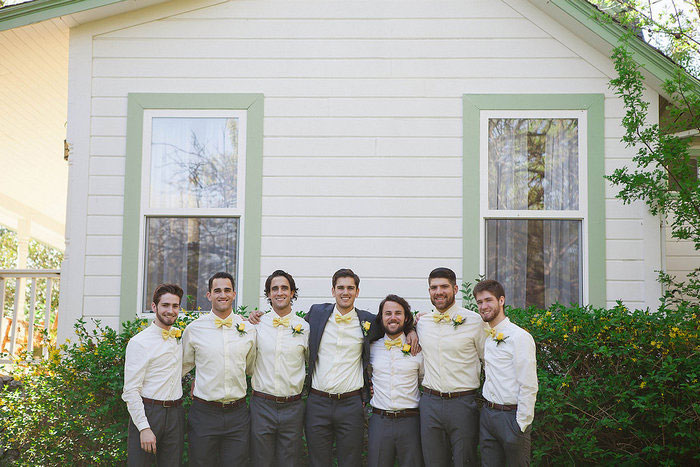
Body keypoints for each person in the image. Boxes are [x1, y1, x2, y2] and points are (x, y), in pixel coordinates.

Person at [182, 272, 257, 466]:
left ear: (234, 294)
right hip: (204, 413)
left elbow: (249, 368)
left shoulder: (248, 329)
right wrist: (194, 380)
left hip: (238, 414)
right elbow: (184, 366)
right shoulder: (194, 329)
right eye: (217, 291)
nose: (222, 295)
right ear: (209, 295)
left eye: (227, 290)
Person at [416, 267, 486, 466]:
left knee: (466, 460)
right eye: (433, 287)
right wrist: (411, 330)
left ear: (455, 289)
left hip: (462, 403)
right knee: (433, 461)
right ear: (429, 291)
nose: (438, 292)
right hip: (429, 402)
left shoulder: (475, 321)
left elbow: (487, 360)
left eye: (444, 287)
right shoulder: (422, 322)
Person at [474, 279, 537, 467]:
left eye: (488, 300)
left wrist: (521, 423)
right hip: (487, 415)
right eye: (479, 302)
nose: (483, 306)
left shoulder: (520, 337)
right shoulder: (486, 334)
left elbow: (529, 384)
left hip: (512, 417)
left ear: (501, 301)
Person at [250, 270, 309, 467]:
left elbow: (313, 362)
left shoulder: (305, 327)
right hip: (262, 404)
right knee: (261, 461)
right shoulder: (256, 325)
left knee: (290, 462)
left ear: (292, 292)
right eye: (274, 289)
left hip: (293, 406)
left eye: (284, 288)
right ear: (268, 294)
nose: (279, 292)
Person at [122, 283, 185, 466]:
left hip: (175, 414)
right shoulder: (139, 343)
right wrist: (144, 427)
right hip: (149, 412)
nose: (170, 311)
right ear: (154, 307)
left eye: (175, 306)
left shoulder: (179, 338)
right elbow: (131, 390)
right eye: (165, 305)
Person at [367, 294, 424, 467]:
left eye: (398, 313)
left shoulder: (418, 348)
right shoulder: (370, 347)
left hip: (410, 421)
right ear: (381, 318)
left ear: (406, 318)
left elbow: (424, 380)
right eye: (388, 313)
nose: (393, 317)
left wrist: (413, 330)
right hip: (380, 420)